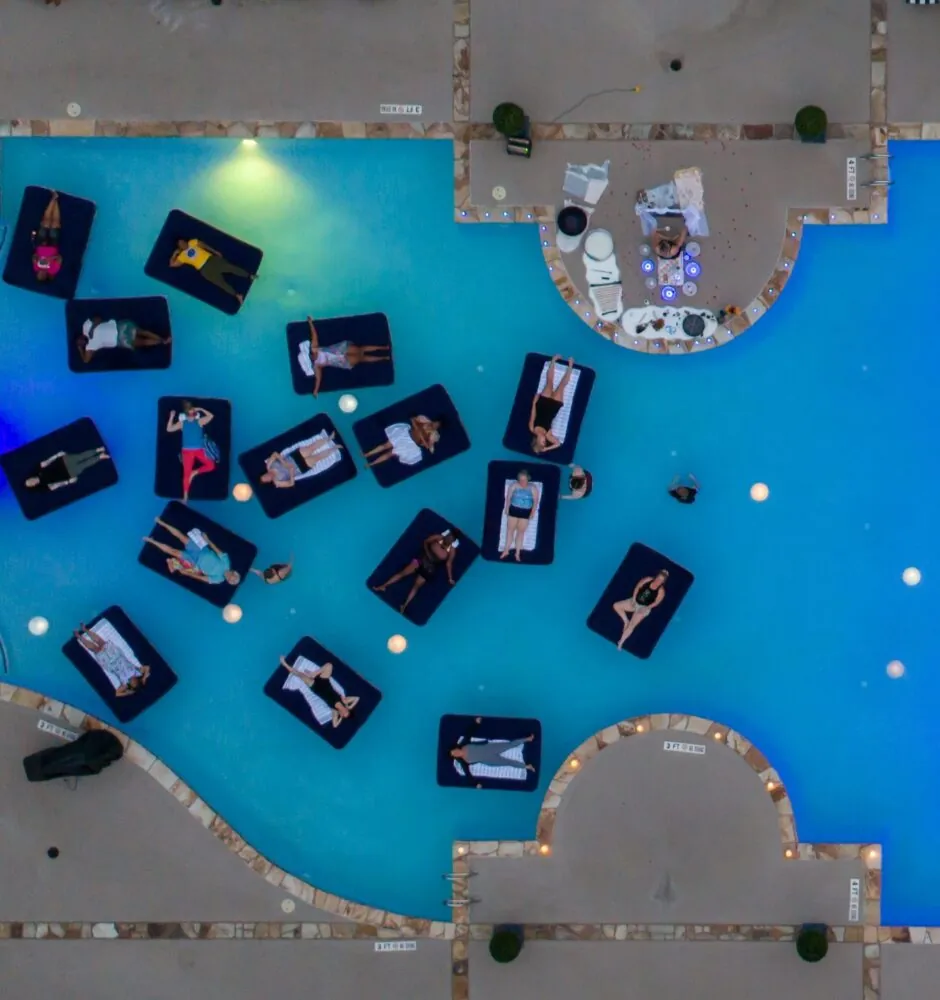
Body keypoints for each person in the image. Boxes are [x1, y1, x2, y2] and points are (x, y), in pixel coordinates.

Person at [372, 529, 460, 613]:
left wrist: (450, 578)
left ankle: (404, 605)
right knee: (402, 573)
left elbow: (448, 564)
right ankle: (383, 586)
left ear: (453, 541)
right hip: (422, 559)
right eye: (448, 536)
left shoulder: (452, 551)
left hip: (430, 568)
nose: (448, 538)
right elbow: (425, 541)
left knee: (416, 585)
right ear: (447, 534)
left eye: (451, 538)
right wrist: (428, 553)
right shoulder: (438, 537)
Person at [303, 316, 391, 397]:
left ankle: (383, 347)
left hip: (341, 348)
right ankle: (383, 358)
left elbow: (314, 335)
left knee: (360, 350)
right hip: (341, 361)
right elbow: (319, 378)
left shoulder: (314, 348)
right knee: (360, 358)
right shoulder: (316, 365)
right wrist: (315, 390)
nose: (312, 357)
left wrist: (310, 323)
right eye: (311, 359)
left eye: (310, 355)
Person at [142, 517, 241, 586]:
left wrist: (188, 574)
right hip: (201, 549)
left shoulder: (219, 579)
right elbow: (216, 549)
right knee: (182, 537)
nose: (229, 578)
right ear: (233, 573)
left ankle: (151, 540)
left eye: (229, 580)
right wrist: (207, 539)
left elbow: (202, 578)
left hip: (193, 562)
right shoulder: (226, 562)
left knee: (173, 552)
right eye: (231, 577)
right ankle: (160, 522)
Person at [449, 717, 536, 787]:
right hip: (489, 759)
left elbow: (469, 733)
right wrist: (476, 784)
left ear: (456, 748)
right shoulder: (464, 762)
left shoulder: (464, 744)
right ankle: (527, 766)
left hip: (490, 748)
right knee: (508, 762)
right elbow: (468, 775)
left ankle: (528, 739)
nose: (456, 753)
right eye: (455, 755)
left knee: (510, 744)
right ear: (456, 757)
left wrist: (476, 723)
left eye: (455, 751)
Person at [169, 238, 257, 305]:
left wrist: (215, 251)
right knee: (221, 283)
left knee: (230, 268)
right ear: (179, 247)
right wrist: (175, 254)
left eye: (183, 241)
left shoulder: (192, 242)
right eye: (180, 244)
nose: (183, 244)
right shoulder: (182, 256)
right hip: (204, 269)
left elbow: (204, 245)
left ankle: (249, 276)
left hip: (211, 260)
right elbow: (172, 265)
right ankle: (237, 295)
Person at [74, 623, 150, 698]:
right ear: (137, 680)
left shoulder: (125, 684)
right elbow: (147, 668)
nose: (132, 682)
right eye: (135, 682)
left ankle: (79, 636)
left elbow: (117, 693)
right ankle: (85, 630)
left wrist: (128, 693)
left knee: (95, 649)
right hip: (117, 656)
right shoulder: (137, 672)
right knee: (101, 642)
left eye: (132, 684)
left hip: (110, 664)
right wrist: (144, 678)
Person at [281, 657, 359, 728]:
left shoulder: (334, 711)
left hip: (315, 687)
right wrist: (350, 706)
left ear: (342, 715)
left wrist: (340, 718)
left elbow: (335, 725)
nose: (343, 711)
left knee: (300, 675)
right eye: (345, 711)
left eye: (343, 714)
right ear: (347, 709)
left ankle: (284, 664)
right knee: (329, 665)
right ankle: (313, 674)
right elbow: (357, 698)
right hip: (325, 682)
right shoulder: (344, 701)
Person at [166, 402, 217, 502]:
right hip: (187, 452)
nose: (191, 416)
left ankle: (195, 472)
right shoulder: (183, 423)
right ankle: (185, 497)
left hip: (199, 450)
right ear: (185, 414)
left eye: (193, 413)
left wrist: (201, 409)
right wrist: (171, 417)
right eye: (189, 414)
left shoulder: (199, 421)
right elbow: (169, 429)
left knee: (211, 465)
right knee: (186, 474)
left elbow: (211, 416)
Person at [258, 432, 343, 488]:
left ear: (265, 473)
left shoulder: (269, 465)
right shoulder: (277, 482)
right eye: (267, 479)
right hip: (299, 468)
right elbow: (291, 483)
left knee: (311, 448)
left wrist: (283, 462)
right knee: (317, 457)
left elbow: (275, 454)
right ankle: (334, 448)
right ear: (268, 481)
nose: (268, 476)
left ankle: (328, 438)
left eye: (265, 475)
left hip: (293, 457)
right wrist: (291, 473)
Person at [529, 354, 575, 454]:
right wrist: (546, 449)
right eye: (545, 443)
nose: (544, 441)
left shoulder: (532, 428)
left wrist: (534, 402)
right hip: (555, 405)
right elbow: (558, 444)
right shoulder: (547, 434)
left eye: (542, 442)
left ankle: (553, 360)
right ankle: (571, 365)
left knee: (549, 382)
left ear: (536, 441)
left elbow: (533, 414)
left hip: (542, 402)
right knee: (562, 385)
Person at [612, 570, 669, 649]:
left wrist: (647, 608)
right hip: (635, 601)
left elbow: (656, 603)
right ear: (656, 576)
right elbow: (637, 587)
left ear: (663, 582)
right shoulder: (648, 579)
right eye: (658, 578)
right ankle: (626, 621)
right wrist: (634, 599)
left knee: (632, 625)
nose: (658, 581)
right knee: (616, 605)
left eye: (661, 580)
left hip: (644, 608)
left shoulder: (661, 591)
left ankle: (621, 641)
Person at [77, 316, 170, 364]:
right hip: (119, 340)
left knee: (142, 332)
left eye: (80, 340)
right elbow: (86, 360)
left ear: (80, 335)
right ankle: (163, 341)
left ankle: (162, 338)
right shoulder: (90, 347)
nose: (82, 342)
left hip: (119, 327)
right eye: (81, 344)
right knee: (143, 342)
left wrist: (93, 328)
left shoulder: (85, 326)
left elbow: (98, 318)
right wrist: (80, 349)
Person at [362, 415, 444, 468]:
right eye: (433, 423)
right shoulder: (424, 420)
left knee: (390, 454)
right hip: (405, 435)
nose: (433, 426)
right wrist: (418, 429)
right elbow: (413, 419)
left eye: (435, 426)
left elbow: (428, 446)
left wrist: (422, 437)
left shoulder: (433, 435)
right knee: (385, 445)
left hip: (410, 445)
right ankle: (367, 454)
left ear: (437, 428)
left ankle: (371, 464)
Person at [24, 446, 110, 491]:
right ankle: (100, 457)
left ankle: (97, 450)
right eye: (31, 483)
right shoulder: (45, 486)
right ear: (33, 485)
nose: (32, 481)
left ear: (30, 477)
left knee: (81, 456)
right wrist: (68, 482)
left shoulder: (39, 469)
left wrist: (58, 455)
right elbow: (57, 485)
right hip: (68, 473)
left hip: (64, 461)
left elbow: (49, 460)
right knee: (85, 465)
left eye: (29, 480)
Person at [501, 469, 539, 562]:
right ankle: (506, 550)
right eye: (521, 480)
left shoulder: (532, 487)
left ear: (528, 479)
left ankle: (517, 553)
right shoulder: (514, 485)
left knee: (520, 533)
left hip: (525, 512)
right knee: (510, 531)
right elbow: (508, 498)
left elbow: (535, 501)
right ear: (518, 480)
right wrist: (506, 509)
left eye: (524, 480)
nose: (522, 482)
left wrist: (532, 512)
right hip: (514, 510)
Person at [31, 191, 62, 283]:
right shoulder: (53, 270)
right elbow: (60, 258)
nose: (39, 274)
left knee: (45, 222)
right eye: (40, 276)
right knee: (55, 223)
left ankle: (53, 198)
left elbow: (33, 256)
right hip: (53, 245)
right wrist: (51, 259)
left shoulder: (36, 267)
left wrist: (37, 258)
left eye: (38, 275)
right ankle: (55, 199)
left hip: (41, 244)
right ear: (45, 277)